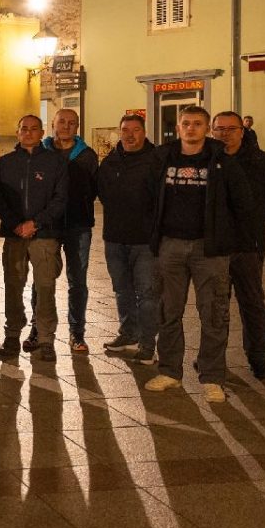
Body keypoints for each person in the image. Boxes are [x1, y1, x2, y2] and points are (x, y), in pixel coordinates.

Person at [144, 106, 256, 404]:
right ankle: (169, 371)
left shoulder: (221, 161)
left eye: (197, 124)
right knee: (168, 312)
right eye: (185, 124)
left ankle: (212, 378)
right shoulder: (162, 158)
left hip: (210, 250)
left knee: (214, 314)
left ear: (207, 128)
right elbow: (147, 197)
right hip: (170, 246)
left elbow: (243, 203)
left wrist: (230, 238)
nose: (190, 129)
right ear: (178, 128)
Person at [211, 111, 265, 380]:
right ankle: (212, 359)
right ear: (212, 131)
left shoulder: (263, 162)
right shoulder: (206, 161)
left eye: (231, 129)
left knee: (252, 303)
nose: (224, 134)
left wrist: (255, 221)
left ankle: (258, 358)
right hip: (214, 246)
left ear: (242, 131)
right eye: (219, 129)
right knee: (215, 306)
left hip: (248, 246)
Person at [0, 115, 68, 362]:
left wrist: (35, 223)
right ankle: (12, 334)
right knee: (13, 287)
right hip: (14, 236)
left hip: (44, 234)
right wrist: (16, 224)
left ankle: (46, 339)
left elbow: (60, 199)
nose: (28, 132)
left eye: (34, 129)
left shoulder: (55, 162)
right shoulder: (5, 162)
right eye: (23, 128)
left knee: (46, 287)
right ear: (17, 132)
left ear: (42, 132)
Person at [25, 109, 98, 354]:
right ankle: (38, 328)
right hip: (48, 226)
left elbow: (94, 189)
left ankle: (77, 333)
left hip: (78, 225)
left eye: (72, 123)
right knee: (42, 280)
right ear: (53, 124)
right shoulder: (41, 153)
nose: (66, 126)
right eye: (61, 122)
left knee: (78, 281)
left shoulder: (87, 156)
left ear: (78, 127)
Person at [97, 114, 160, 365]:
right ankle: (128, 334)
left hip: (145, 240)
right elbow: (102, 192)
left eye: (135, 130)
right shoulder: (110, 161)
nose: (130, 135)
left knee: (147, 293)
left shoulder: (156, 160)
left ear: (144, 132)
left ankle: (147, 344)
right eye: (125, 130)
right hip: (115, 237)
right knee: (122, 290)